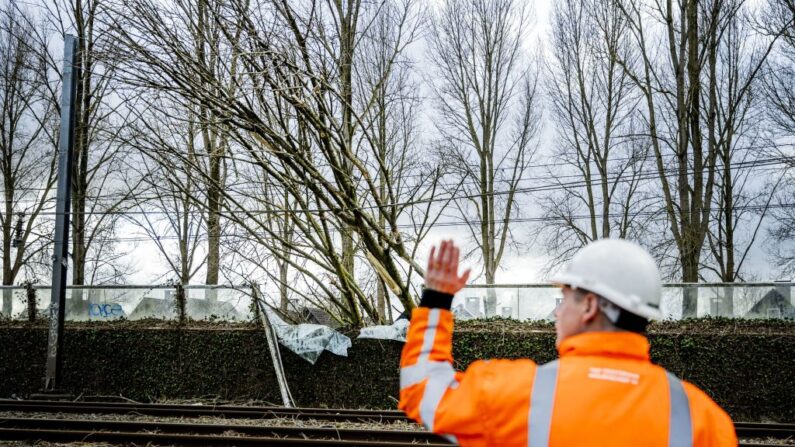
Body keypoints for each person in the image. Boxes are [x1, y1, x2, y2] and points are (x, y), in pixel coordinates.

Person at [398, 239, 737, 446]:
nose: (556, 313)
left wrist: (436, 300)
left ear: (590, 306)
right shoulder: (704, 419)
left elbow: (423, 388)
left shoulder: (516, 394)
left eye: (564, 298)